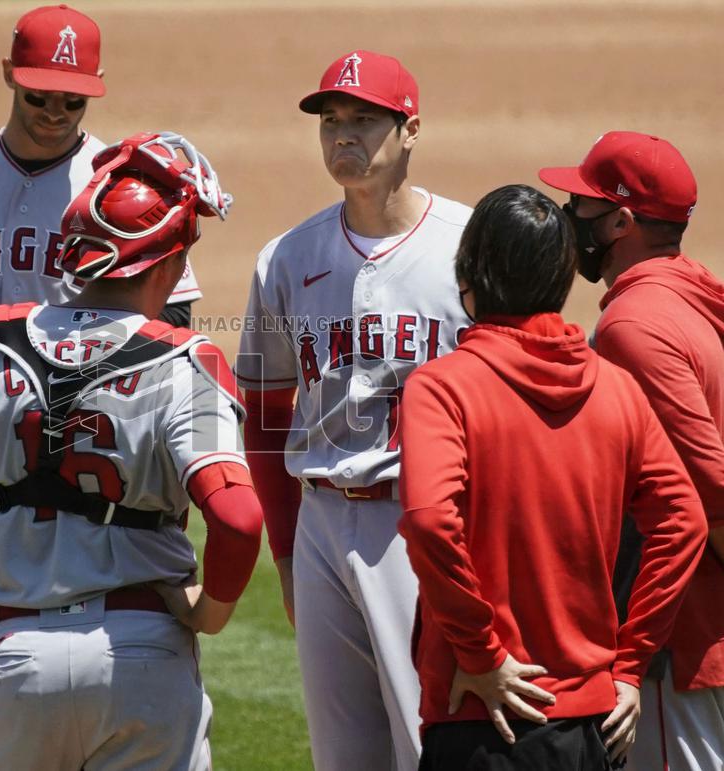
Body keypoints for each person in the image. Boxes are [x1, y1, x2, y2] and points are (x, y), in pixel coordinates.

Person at [0, 131, 263, 770]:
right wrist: (208, 614)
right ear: (172, 263)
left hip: (18, 658)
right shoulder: (186, 365)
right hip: (144, 658)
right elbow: (238, 518)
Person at [0, 4, 203, 653]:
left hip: (96, 441)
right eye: (39, 95)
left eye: (72, 100)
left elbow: (173, 308)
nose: (55, 111)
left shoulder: (120, 184)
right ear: (10, 75)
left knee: (105, 637)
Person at [397, 183, 708, 770]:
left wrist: (482, 653)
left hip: (484, 717)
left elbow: (430, 520)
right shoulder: (616, 388)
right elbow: (684, 523)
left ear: (471, 270)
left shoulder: (441, 388)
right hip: (595, 725)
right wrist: (630, 665)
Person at [236, 50, 473, 770]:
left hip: (423, 523)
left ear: (410, 131)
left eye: (364, 120)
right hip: (319, 523)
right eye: (331, 121)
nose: (343, 136)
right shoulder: (286, 257)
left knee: (428, 736)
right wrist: (283, 549)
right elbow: (267, 413)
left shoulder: (467, 248)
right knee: (343, 754)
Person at [540, 132, 724, 771]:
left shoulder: (632, 325)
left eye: (581, 203)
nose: (570, 217)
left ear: (620, 220)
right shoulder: (690, 294)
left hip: (683, 635)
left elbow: (710, 489)